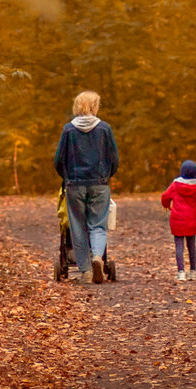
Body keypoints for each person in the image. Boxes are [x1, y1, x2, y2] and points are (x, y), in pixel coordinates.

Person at [53, 90, 119, 284]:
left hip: (75, 184)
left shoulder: (68, 130)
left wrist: (67, 178)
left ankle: (86, 272)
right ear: (93, 106)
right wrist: (106, 176)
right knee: (98, 224)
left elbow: (59, 160)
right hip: (99, 183)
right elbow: (114, 158)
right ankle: (97, 257)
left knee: (78, 227)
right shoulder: (105, 129)